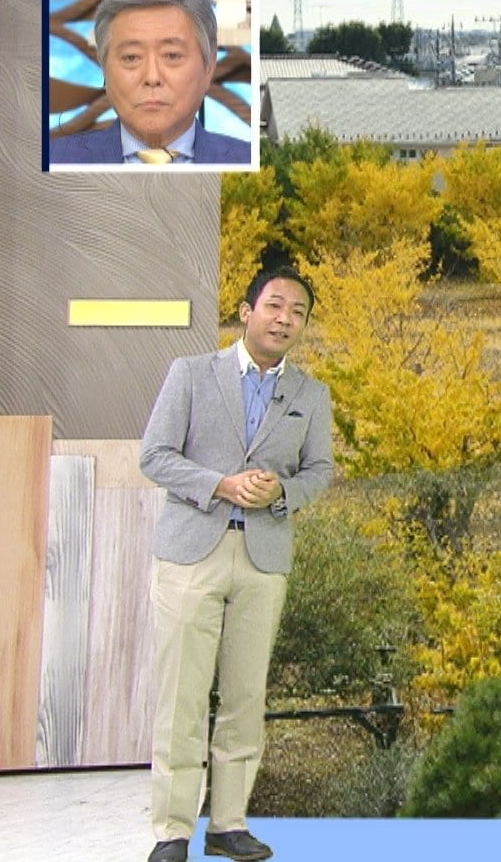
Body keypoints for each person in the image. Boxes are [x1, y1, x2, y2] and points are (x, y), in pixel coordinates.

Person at [140, 267, 333, 862]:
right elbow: (154, 455)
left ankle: (227, 823)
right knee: (182, 696)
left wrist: (279, 492)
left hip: (263, 558)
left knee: (246, 696)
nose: (285, 318)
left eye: (297, 311)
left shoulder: (311, 395)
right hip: (191, 554)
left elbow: (320, 472)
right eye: (274, 305)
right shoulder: (192, 375)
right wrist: (220, 483)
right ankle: (172, 831)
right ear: (246, 311)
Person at [49, 0, 252, 167]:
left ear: (209, 67)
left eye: (172, 56)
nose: (152, 77)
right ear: (104, 66)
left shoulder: (246, 159)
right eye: (131, 57)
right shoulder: (55, 159)